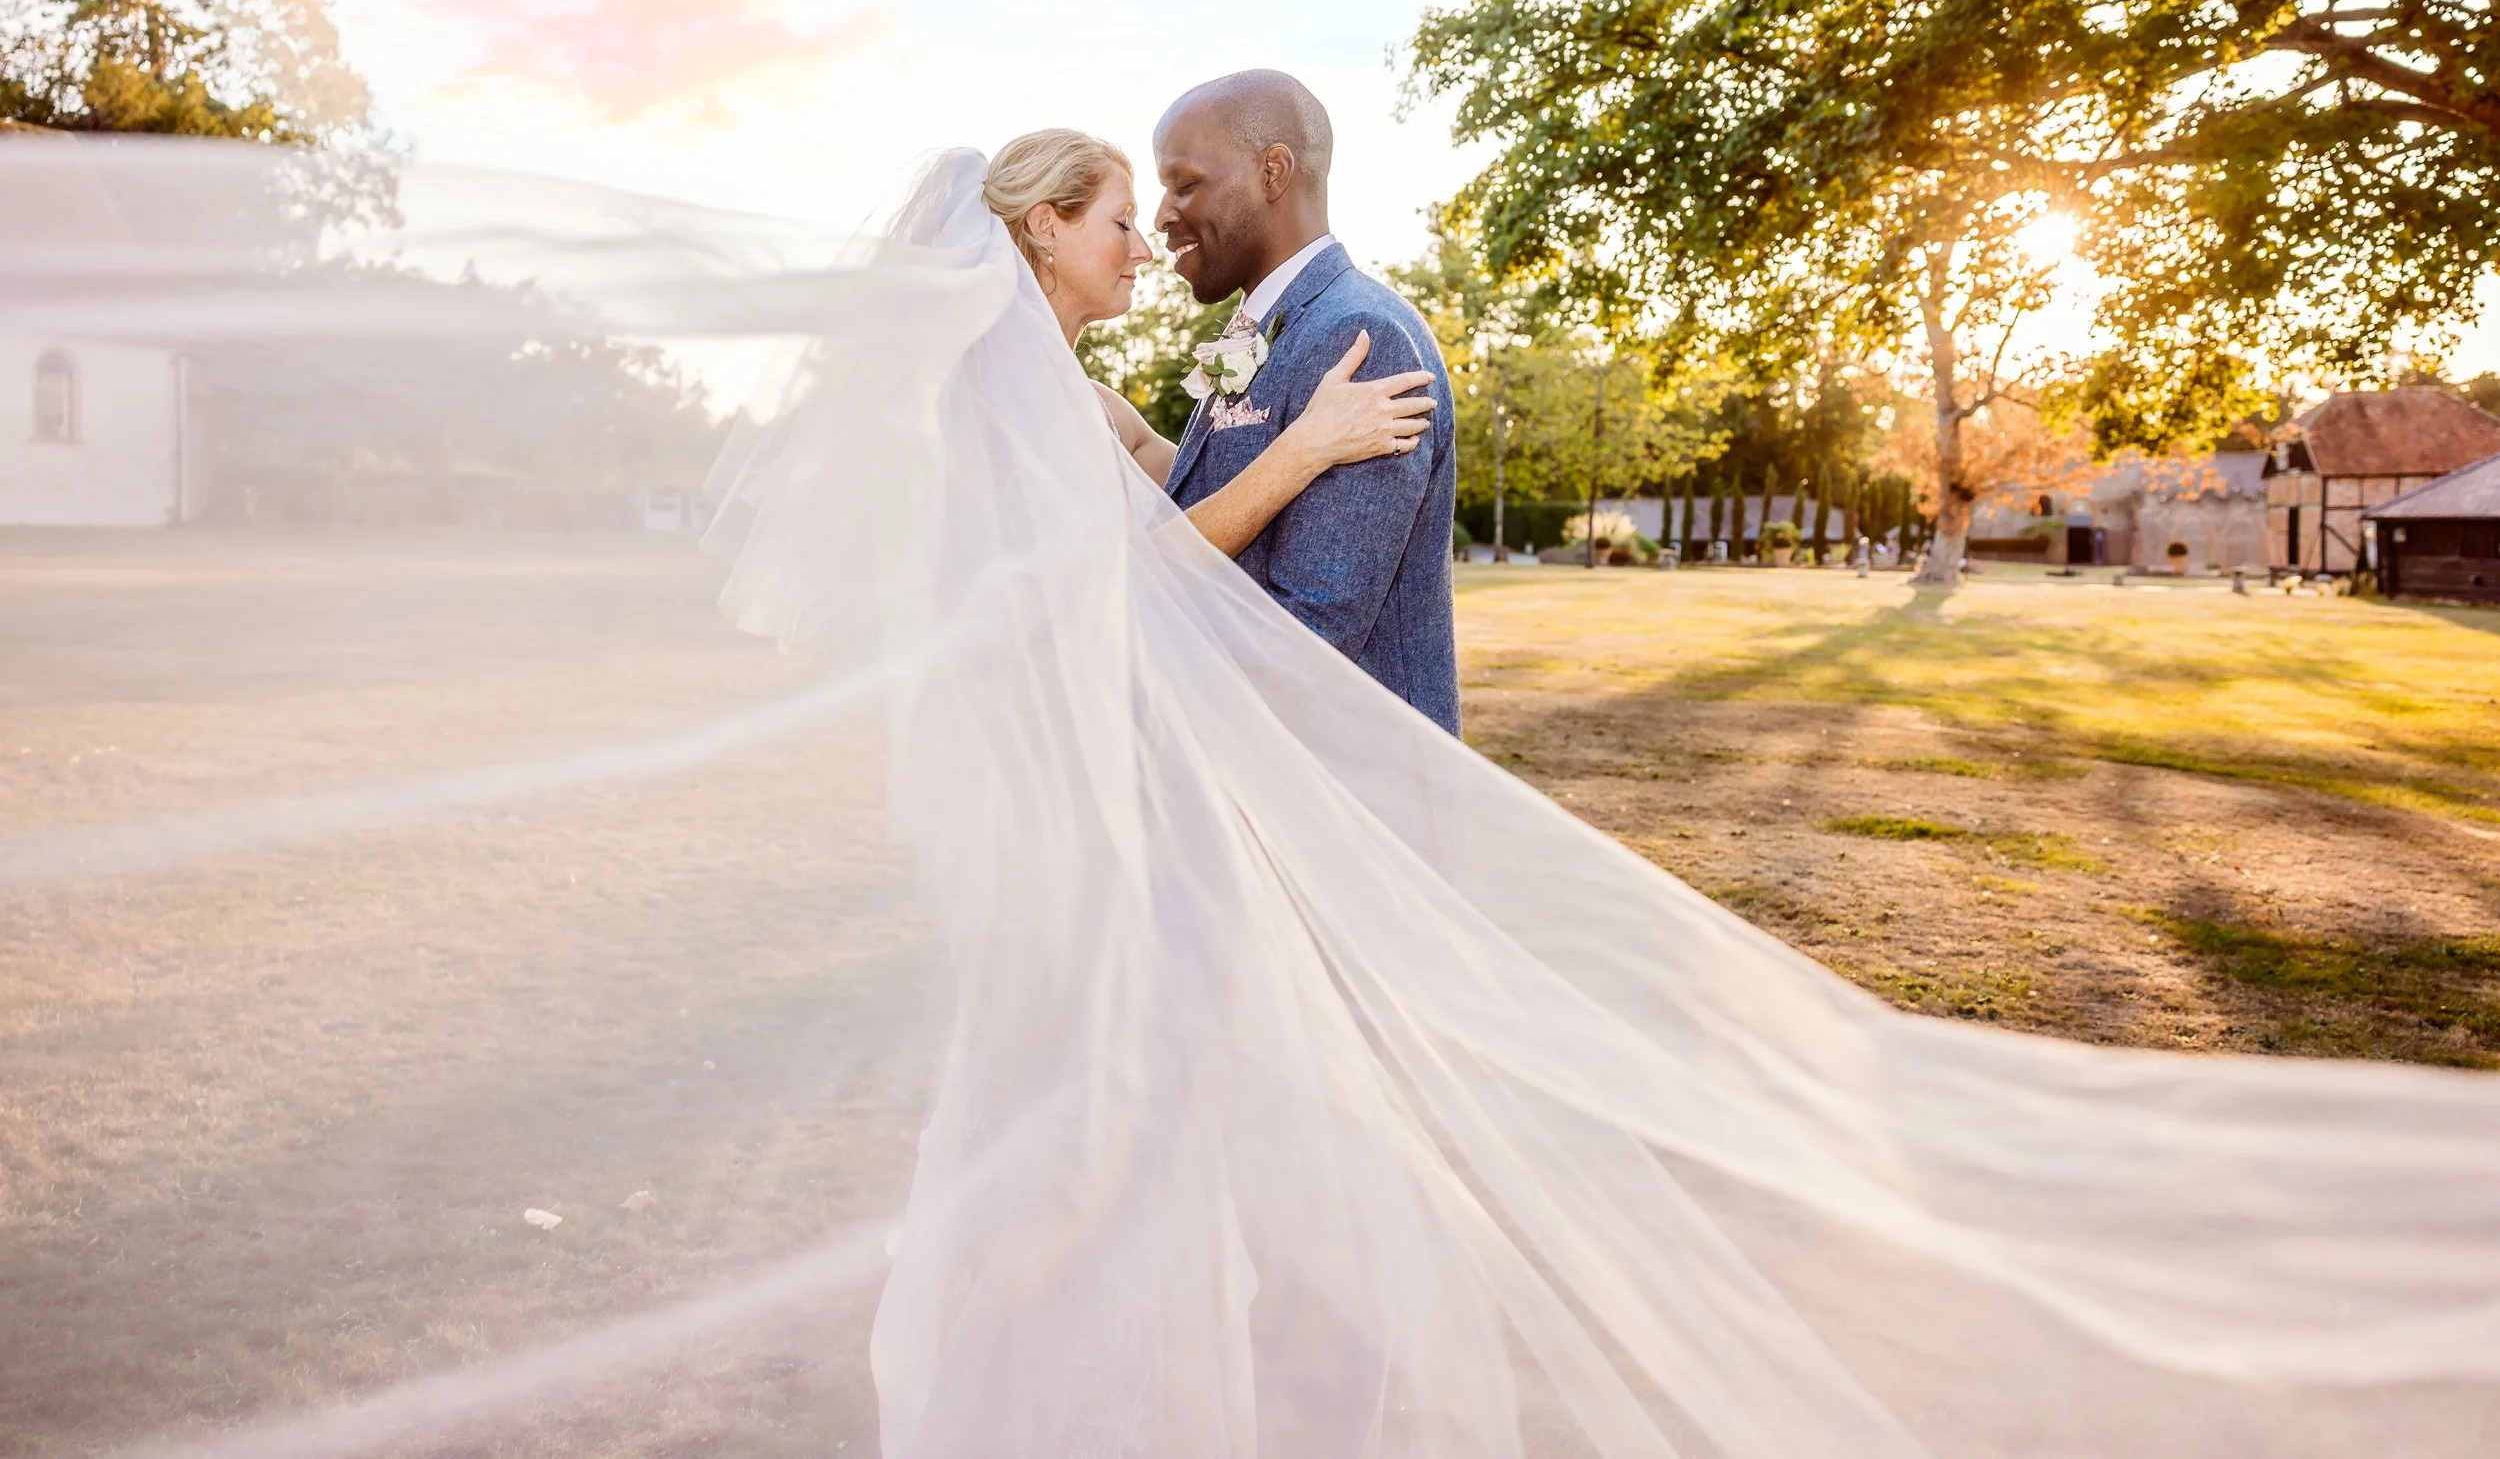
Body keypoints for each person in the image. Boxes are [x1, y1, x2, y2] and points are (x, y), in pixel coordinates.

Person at [10, 135, 2500, 1459]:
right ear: (1047, 234)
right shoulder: (1085, 376)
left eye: (1166, 203)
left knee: (1107, 1114)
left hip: (1136, 806)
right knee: (1102, 1111)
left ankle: (1140, 1369)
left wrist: (1272, 439)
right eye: (1118, 212)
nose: (1147, 238)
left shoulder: (1131, 358)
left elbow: (1189, 575)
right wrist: (1283, 437)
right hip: (1090, 799)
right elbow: (1101, 584)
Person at [1147, 70, 1460, 735]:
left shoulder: (1363, 339)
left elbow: (1312, 631)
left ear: (1272, 172)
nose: (1161, 215)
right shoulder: (1265, 333)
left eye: (1184, 183)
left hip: (1349, 791)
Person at [980, 127, 1439, 563]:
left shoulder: (1106, 410)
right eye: (1122, 223)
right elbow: (1133, 574)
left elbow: (1205, 488)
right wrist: (1307, 447)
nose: (1144, 248)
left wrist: (1327, 422)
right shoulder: (1004, 400)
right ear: (1047, 226)